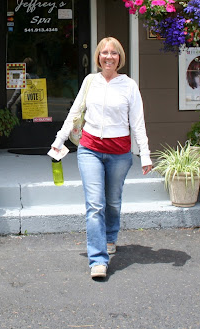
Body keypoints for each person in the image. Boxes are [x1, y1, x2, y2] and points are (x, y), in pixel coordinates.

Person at [50, 37, 152, 279]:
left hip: (119, 154)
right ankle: (98, 260)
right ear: (98, 56)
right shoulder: (90, 82)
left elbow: (138, 123)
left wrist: (145, 154)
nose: (109, 57)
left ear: (120, 57)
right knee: (95, 205)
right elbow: (75, 112)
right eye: (104, 52)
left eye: (114, 53)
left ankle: (109, 237)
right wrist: (58, 140)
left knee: (113, 202)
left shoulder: (129, 86)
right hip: (90, 150)